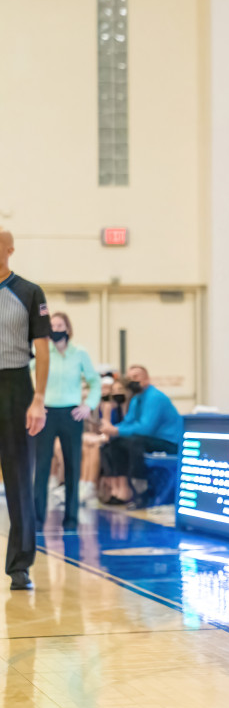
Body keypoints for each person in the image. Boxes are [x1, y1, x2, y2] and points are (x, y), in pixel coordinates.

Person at [0, 228, 49, 591]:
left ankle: (20, 566)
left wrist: (39, 399)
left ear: (10, 249)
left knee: (18, 480)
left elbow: (42, 350)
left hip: (16, 385)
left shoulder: (29, 292)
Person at [34, 312, 98, 530]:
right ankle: (37, 518)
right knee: (42, 465)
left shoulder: (79, 353)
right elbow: (26, 377)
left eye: (60, 325)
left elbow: (94, 382)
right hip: (46, 413)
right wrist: (34, 402)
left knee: (72, 465)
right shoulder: (42, 353)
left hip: (72, 414)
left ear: (68, 329)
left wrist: (88, 405)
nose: (56, 329)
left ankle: (71, 519)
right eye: (52, 325)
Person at [99, 364, 184, 506]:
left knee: (133, 443)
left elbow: (145, 429)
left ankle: (141, 490)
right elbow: (128, 422)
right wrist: (112, 429)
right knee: (113, 444)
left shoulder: (155, 397)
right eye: (129, 378)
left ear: (146, 379)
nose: (132, 380)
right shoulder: (136, 398)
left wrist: (116, 430)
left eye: (136, 377)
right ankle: (121, 490)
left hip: (168, 442)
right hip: (150, 439)